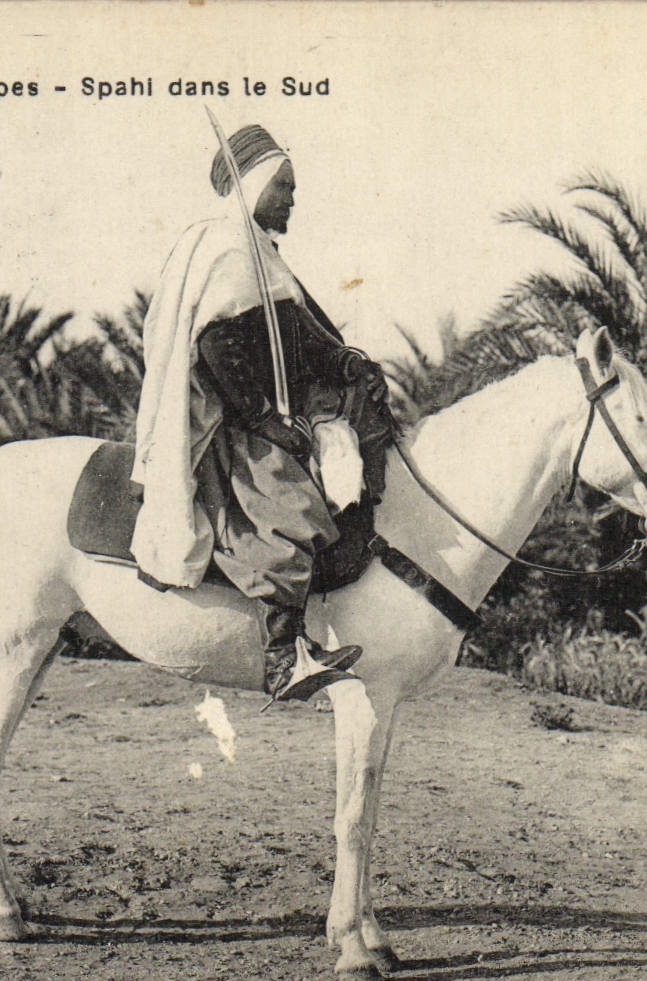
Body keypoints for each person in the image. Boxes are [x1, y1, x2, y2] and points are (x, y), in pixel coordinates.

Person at [131, 123, 392, 702]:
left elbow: (300, 332)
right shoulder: (228, 249)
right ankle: (281, 658)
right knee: (289, 508)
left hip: (265, 412)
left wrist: (344, 360)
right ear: (253, 184)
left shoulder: (260, 253)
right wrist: (264, 420)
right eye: (285, 186)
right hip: (228, 421)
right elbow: (217, 344)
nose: (292, 199)